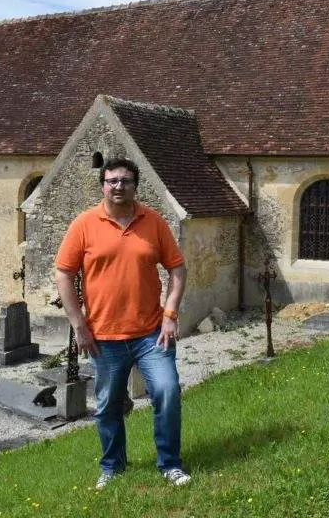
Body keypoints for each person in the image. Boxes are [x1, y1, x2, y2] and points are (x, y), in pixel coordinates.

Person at [55, 157, 190, 490]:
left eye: (125, 181)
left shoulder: (153, 222)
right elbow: (63, 273)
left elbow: (177, 268)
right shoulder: (84, 224)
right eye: (112, 181)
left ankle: (170, 464)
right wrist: (79, 325)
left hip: (151, 334)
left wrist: (170, 314)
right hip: (104, 337)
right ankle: (113, 467)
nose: (119, 186)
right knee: (108, 405)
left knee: (167, 391)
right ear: (103, 185)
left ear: (135, 186)